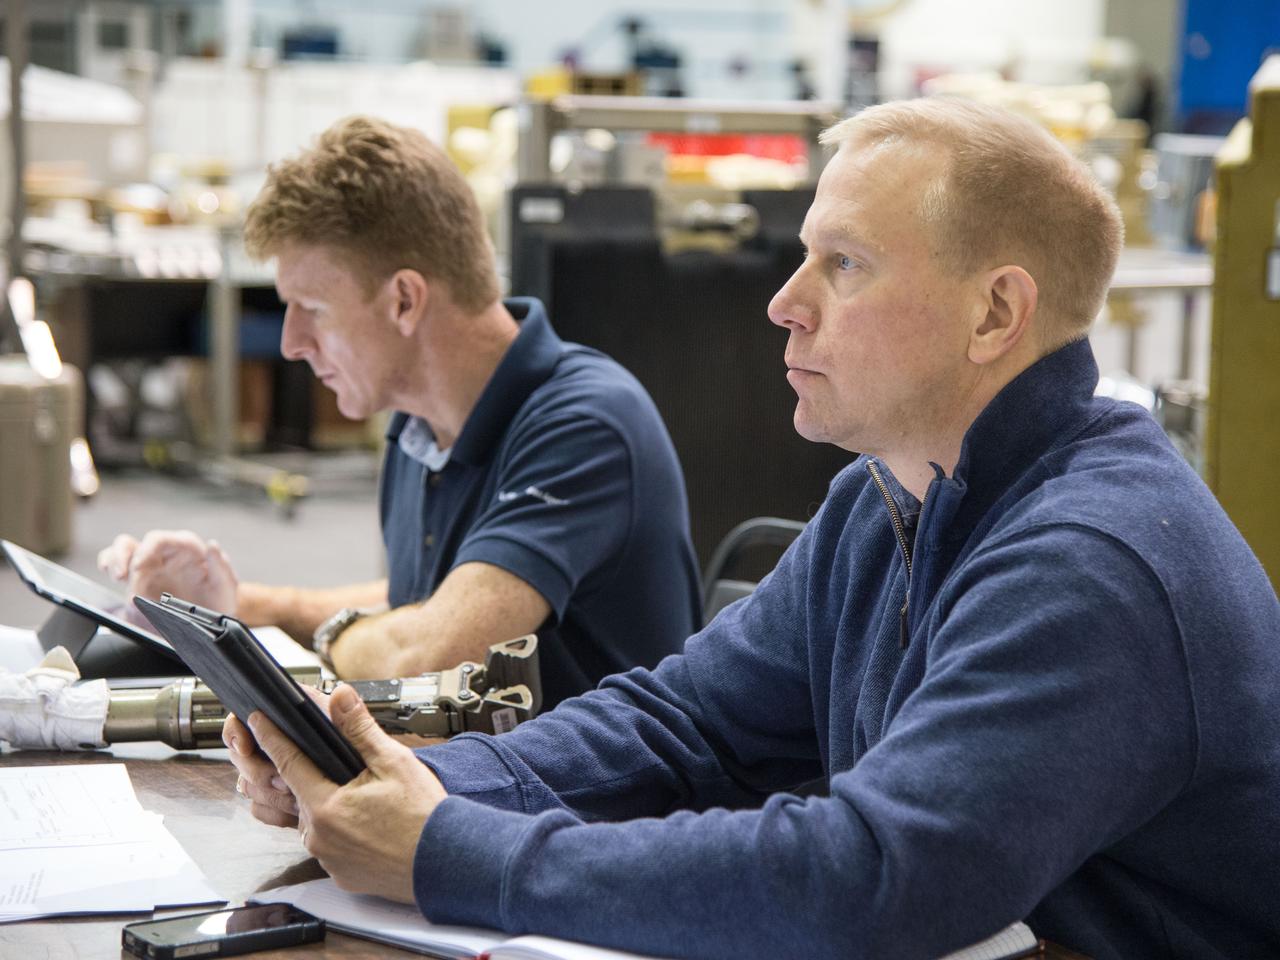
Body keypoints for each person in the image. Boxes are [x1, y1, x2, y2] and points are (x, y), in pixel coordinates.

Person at [225, 98, 1280, 959]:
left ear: (993, 315)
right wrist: (396, 785)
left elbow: (867, 879)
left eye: (844, 264)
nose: (783, 302)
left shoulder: (1090, 564)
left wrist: (454, 851)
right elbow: (682, 725)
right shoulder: (888, 501)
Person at [100, 116, 701, 708]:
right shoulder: (416, 427)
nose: (290, 343)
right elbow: (418, 603)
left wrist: (330, 635)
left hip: (593, 804)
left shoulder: (587, 424)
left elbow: (428, 659)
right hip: (489, 788)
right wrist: (231, 606)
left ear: (405, 300)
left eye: (312, 308)